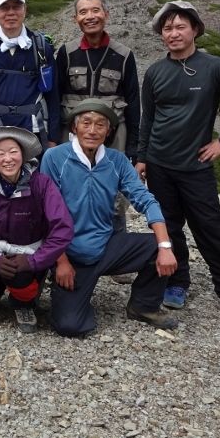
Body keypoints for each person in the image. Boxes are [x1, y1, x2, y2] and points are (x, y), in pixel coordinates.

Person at [136, 0, 220, 317]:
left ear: (195, 30)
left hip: (196, 166)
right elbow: (147, 119)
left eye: (179, 27)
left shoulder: (215, 67)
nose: (173, 33)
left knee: (210, 226)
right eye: (167, 28)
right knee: (169, 227)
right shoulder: (155, 72)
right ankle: (177, 281)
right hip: (160, 165)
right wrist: (142, 158)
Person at [40, 100, 179, 337]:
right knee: (70, 326)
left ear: (108, 131)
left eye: (100, 125)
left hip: (106, 245)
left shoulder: (117, 161)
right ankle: (69, 293)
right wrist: (61, 262)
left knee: (160, 244)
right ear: (74, 128)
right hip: (70, 253)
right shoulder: (54, 158)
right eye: (86, 123)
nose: (92, 130)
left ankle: (143, 306)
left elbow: (145, 199)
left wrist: (165, 246)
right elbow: (44, 212)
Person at [0, 127, 73, 333]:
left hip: (29, 257)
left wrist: (33, 261)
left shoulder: (42, 185)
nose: (7, 159)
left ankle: (23, 303)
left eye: (13, 151)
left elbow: (62, 229)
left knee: (22, 277)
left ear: (23, 154)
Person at [57, 0, 140, 236]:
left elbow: (134, 102)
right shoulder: (66, 53)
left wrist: (135, 148)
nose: (90, 16)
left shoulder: (124, 55)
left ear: (106, 14)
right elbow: (55, 98)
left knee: (113, 190)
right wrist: (53, 137)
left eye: (95, 10)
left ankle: (117, 247)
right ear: (75, 19)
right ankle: (66, 248)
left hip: (114, 135)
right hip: (72, 132)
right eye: (83, 12)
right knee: (68, 188)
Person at [0, 0, 60, 151]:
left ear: (25, 10)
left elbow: (53, 96)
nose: (11, 12)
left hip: (34, 132)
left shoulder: (41, 49)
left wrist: (53, 138)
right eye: (5, 7)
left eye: (16, 7)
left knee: (36, 177)